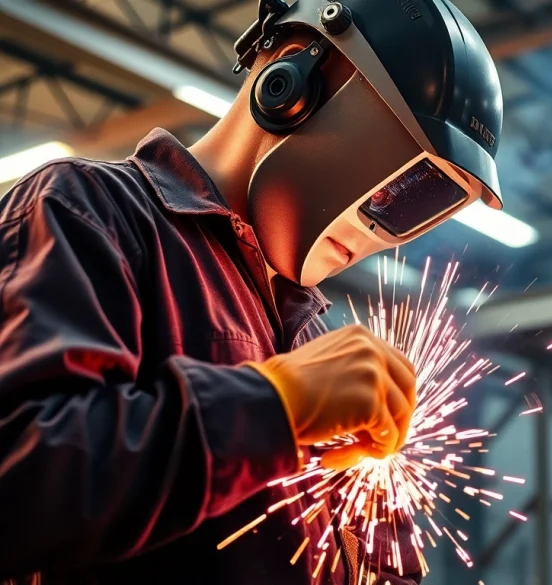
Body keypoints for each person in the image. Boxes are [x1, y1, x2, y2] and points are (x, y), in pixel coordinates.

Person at [0, 0, 503, 583]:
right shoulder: (89, 214)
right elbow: (22, 477)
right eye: (398, 185)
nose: (382, 228)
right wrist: (274, 406)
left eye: (423, 208)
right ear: (292, 83)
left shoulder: (314, 338)